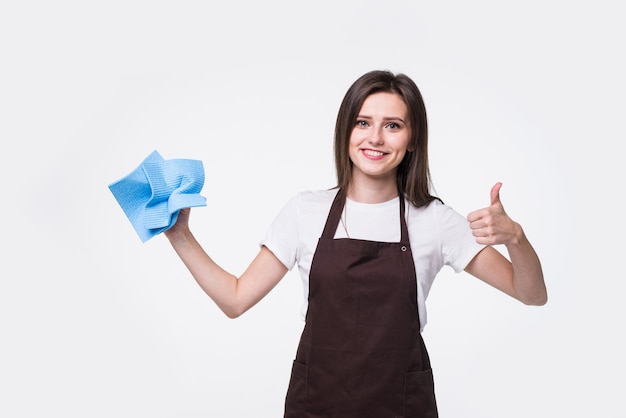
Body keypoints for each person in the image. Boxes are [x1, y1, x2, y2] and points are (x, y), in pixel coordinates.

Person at [163, 70, 547, 418]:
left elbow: (530, 293)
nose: (375, 138)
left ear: (412, 140)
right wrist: (180, 235)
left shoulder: (434, 219)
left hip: (402, 407)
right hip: (317, 405)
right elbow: (235, 299)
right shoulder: (305, 212)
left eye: (393, 125)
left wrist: (516, 238)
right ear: (346, 131)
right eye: (363, 122)